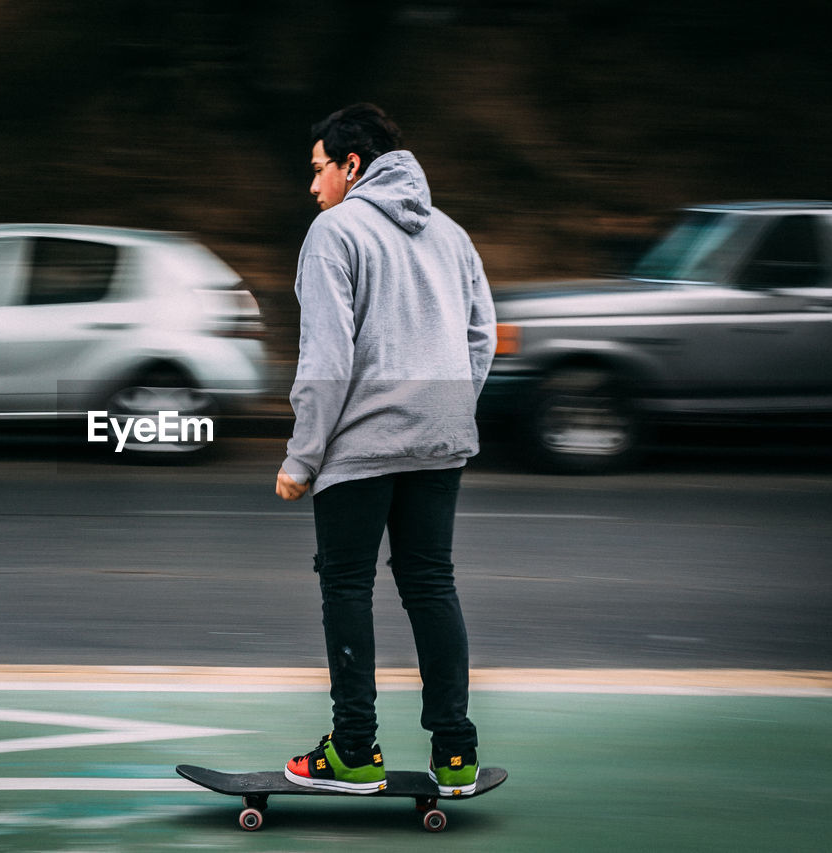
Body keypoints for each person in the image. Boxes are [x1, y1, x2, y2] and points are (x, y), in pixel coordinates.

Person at [275, 103, 496, 797]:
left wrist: (301, 456)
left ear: (352, 164)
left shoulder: (334, 232)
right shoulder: (452, 233)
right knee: (431, 581)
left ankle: (353, 750)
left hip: (360, 445)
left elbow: (327, 356)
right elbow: (481, 336)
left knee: (347, 585)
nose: (313, 187)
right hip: (440, 441)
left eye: (318, 171)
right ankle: (456, 754)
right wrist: (447, 407)